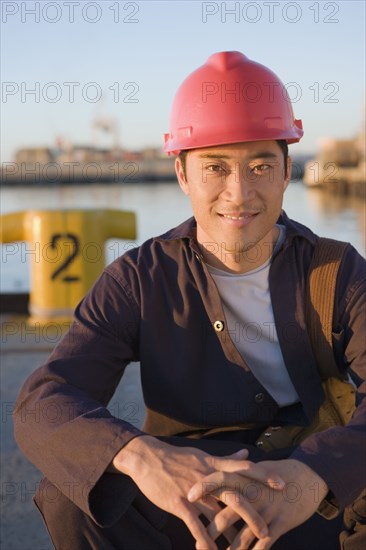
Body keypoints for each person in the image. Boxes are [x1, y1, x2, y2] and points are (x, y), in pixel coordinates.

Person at [14, 51, 365, 550]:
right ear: (182, 174)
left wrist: (317, 474)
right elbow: (43, 401)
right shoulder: (139, 279)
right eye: (215, 167)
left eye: (261, 164)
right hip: (187, 495)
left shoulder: (337, 271)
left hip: (308, 496)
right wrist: (136, 453)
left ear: (287, 170)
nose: (239, 193)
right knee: (74, 494)